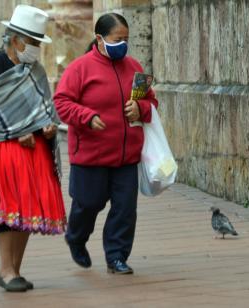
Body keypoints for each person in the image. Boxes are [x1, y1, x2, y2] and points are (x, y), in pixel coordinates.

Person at [0, 5, 66, 292]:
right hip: (2, 148)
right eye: (31, 42)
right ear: (15, 39)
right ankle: (6, 270)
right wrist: (18, 131)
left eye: (37, 43)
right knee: (9, 210)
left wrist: (48, 127)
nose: (34, 48)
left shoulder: (34, 69)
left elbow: (44, 107)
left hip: (34, 150)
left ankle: (16, 270)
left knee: (25, 210)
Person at [54, 13, 158, 274]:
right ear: (100, 39)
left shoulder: (134, 67)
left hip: (126, 156)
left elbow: (152, 102)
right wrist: (87, 117)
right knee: (88, 203)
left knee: (125, 210)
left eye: (126, 39)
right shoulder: (80, 68)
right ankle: (76, 238)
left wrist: (141, 108)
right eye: (117, 39)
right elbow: (62, 102)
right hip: (91, 155)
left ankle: (117, 256)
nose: (123, 44)